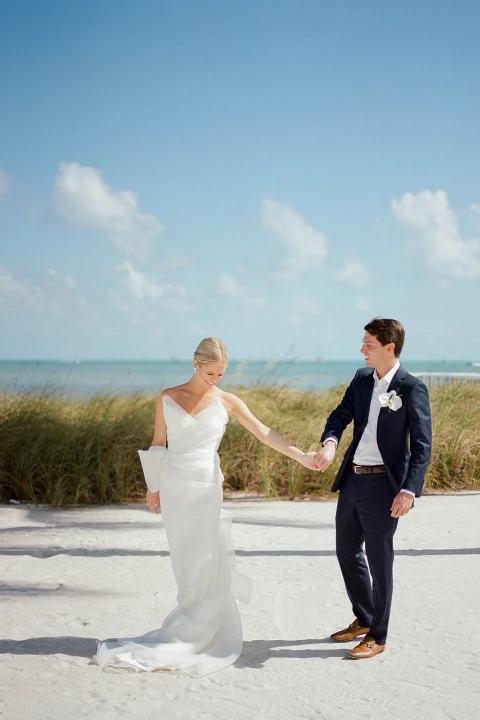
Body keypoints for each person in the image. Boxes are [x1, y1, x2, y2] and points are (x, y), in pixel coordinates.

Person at [95, 337, 318, 677]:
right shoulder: (168, 397)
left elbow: (264, 433)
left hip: (206, 488)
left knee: (207, 555)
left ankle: (202, 627)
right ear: (195, 364)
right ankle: (188, 618)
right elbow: (158, 444)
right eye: (210, 372)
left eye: (221, 375)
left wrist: (302, 456)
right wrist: (151, 487)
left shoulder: (227, 401)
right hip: (173, 486)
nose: (215, 380)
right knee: (183, 558)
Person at [314, 318, 432, 659]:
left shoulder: (411, 388)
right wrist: (331, 442)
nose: (362, 349)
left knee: (380, 562)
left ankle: (378, 636)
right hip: (353, 478)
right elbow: (339, 415)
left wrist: (408, 491)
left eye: (368, 344)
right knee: (346, 552)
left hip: (385, 484)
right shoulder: (362, 379)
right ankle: (364, 618)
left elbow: (423, 446)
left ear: (388, 348)